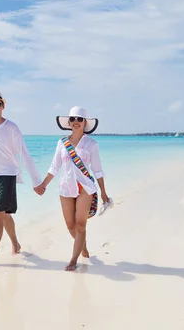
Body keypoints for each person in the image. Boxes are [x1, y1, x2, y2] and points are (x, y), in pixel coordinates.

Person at [34, 106, 113, 271]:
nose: (76, 122)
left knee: (80, 225)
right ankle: (82, 246)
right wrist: (43, 185)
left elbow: (97, 170)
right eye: (73, 119)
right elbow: (54, 167)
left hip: (85, 188)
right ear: (68, 123)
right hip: (66, 187)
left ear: (84, 122)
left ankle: (73, 259)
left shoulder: (91, 144)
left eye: (79, 119)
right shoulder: (62, 143)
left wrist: (104, 193)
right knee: (70, 226)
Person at [0, 90, 43, 270]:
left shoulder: (12, 127)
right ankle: (16, 244)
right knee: (4, 214)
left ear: (3, 106)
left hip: (7, 174)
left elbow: (24, 153)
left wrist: (36, 181)